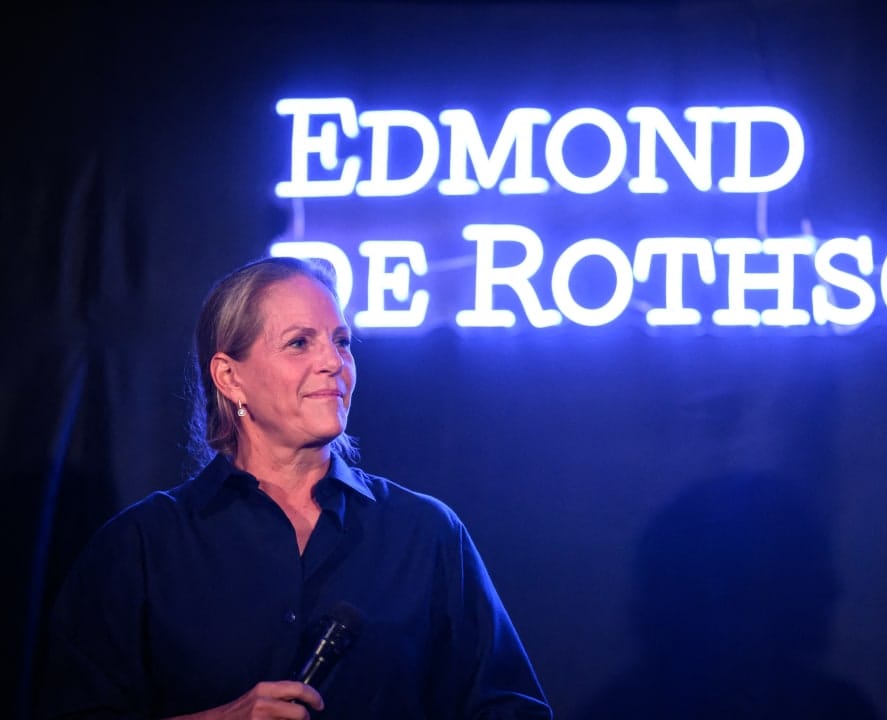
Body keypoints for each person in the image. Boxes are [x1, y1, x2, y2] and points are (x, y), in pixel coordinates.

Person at [38, 256, 553, 719]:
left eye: (341, 341)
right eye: (299, 343)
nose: (333, 362)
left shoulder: (425, 534)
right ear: (229, 377)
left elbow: (511, 709)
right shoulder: (142, 547)